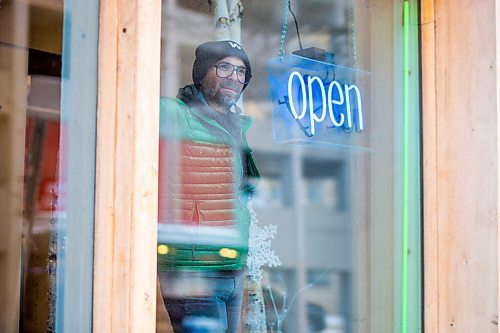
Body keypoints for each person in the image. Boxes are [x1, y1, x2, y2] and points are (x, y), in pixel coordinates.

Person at [157, 40, 260, 333]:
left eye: (241, 72)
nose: (234, 78)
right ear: (202, 73)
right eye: (224, 67)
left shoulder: (234, 128)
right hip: (193, 271)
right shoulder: (175, 113)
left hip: (231, 267)